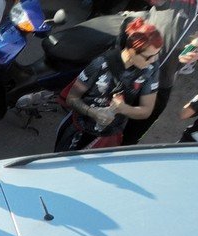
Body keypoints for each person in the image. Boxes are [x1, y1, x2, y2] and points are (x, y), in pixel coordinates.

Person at [57, 20, 164, 152]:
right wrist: (93, 113)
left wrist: (123, 109)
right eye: (149, 57)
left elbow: (146, 110)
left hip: (108, 138)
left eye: (157, 55)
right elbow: (72, 98)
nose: (153, 60)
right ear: (131, 50)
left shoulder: (151, 68)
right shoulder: (101, 64)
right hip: (79, 131)